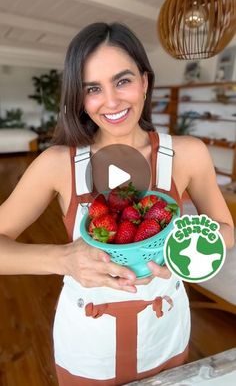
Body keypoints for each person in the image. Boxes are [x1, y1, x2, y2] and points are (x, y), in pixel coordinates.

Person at [0, 22, 234, 386]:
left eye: (122, 81)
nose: (110, 101)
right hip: (87, 347)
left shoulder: (188, 154)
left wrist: (187, 253)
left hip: (166, 332)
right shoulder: (57, 163)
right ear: (80, 97)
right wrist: (61, 259)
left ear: (144, 81)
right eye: (93, 88)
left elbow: (226, 230)